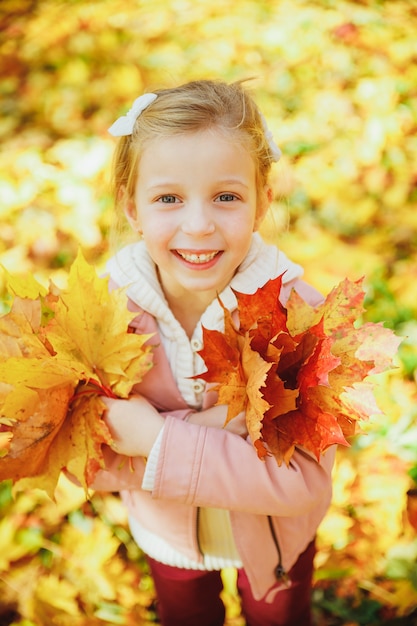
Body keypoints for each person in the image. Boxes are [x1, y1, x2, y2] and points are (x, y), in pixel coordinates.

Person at [93, 79, 336, 626]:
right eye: (168, 198)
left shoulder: (296, 318)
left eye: (225, 196)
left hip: (276, 539)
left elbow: (299, 482)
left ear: (262, 201)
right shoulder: (105, 315)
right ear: (132, 207)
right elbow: (91, 456)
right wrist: (224, 427)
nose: (198, 224)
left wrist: (158, 438)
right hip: (169, 534)